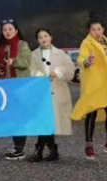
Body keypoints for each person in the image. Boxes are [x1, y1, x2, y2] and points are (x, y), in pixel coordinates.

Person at [70, 18, 107, 161]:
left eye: (99, 29)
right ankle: (89, 144)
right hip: (93, 84)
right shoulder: (86, 43)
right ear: (89, 31)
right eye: (93, 29)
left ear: (103, 29)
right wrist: (87, 61)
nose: (97, 32)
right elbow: (81, 59)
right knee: (91, 113)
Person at [28, 28, 75, 162]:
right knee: (44, 121)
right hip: (41, 93)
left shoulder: (61, 54)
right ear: (37, 40)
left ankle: (41, 150)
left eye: (45, 36)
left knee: (48, 122)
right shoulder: (33, 55)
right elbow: (30, 69)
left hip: (57, 92)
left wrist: (58, 72)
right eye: (40, 37)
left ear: (51, 37)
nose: (43, 39)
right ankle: (50, 150)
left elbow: (70, 69)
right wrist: (39, 76)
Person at [0, 19, 32, 160]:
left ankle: (20, 148)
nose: (7, 32)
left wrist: (14, 61)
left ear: (16, 31)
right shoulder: (1, 47)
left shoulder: (23, 45)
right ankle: (16, 146)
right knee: (11, 117)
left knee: (19, 117)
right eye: (4, 30)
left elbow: (26, 62)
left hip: (20, 87)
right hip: (7, 87)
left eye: (10, 29)